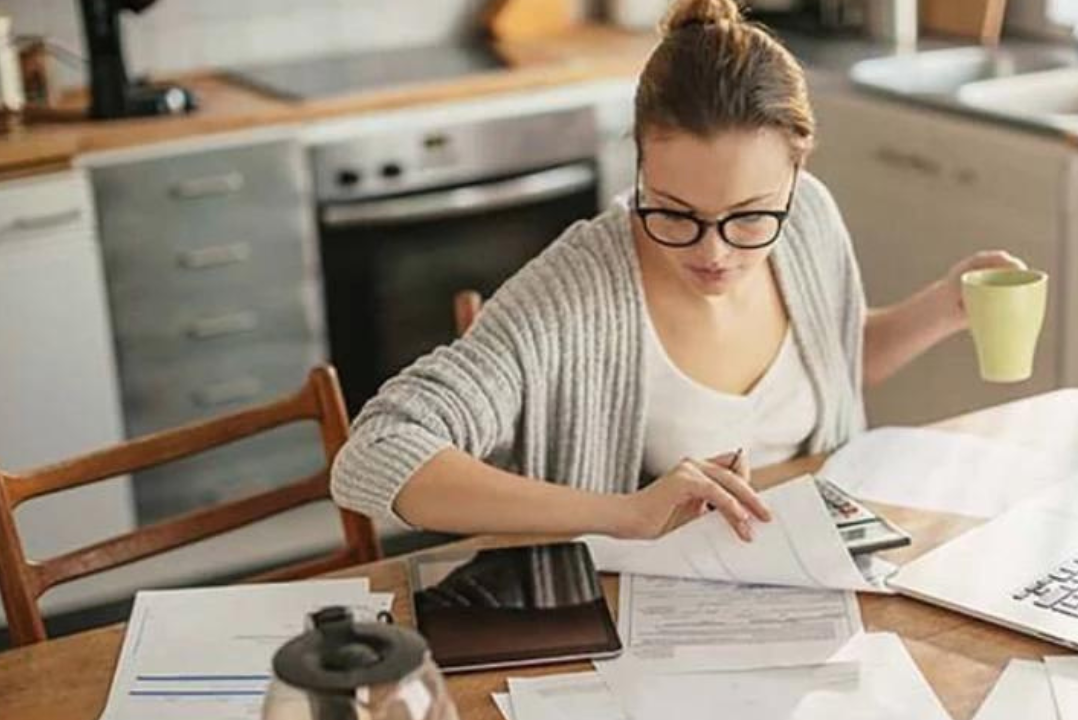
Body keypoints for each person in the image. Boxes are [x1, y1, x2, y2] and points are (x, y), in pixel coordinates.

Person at [331, 0, 1023, 543]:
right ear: (639, 164)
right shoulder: (577, 292)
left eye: (749, 217)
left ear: (797, 171)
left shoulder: (808, 218)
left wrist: (946, 306)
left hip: (811, 575)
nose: (713, 253)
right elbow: (376, 454)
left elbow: (835, 355)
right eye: (673, 210)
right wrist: (624, 514)